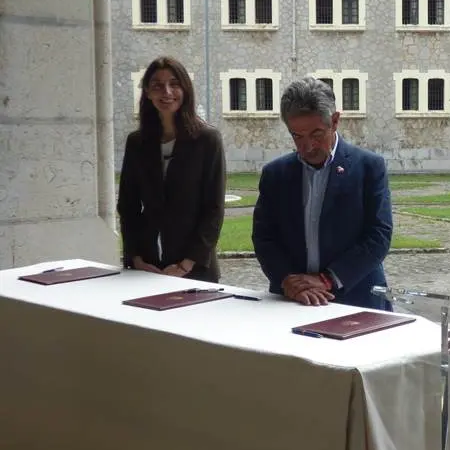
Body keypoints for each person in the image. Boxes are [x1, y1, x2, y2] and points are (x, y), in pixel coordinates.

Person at [252, 77, 393, 310]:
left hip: (357, 300)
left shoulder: (369, 167)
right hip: (292, 301)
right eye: (297, 136)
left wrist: (327, 279)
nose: (307, 146)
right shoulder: (275, 174)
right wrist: (286, 279)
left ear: (335, 121)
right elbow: (264, 237)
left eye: (316, 134)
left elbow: (378, 235)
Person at [117, 56, 226, 283]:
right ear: (147, 92)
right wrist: (135, 257)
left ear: (185, 89)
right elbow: (128, 206)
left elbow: (213, 209)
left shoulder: (207, 140)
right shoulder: (137, 143)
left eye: (174, 84)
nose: (166, 92)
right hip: (147, 266)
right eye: (157, 85)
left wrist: (186, 264)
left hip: (195, 268)